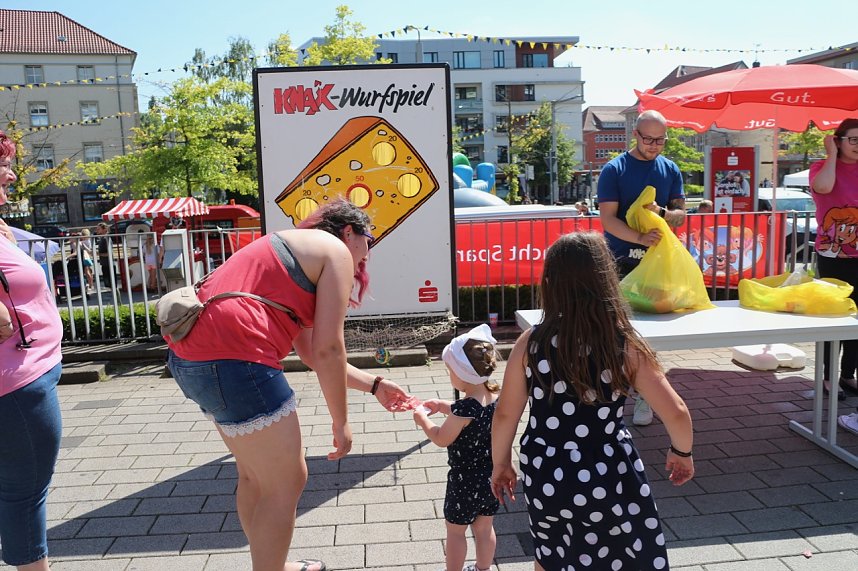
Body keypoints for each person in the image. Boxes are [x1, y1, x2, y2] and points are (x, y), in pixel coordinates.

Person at [164, 199, 413, 571]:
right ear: (349, 232)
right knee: (286, 482)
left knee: (255, 476)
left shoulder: (289, 246)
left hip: (190, 359)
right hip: (239, 358)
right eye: (369, 241)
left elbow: (313, 353)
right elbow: (329, 350)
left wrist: (375, 384)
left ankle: (272, 564)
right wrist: (341, 422)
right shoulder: (335, 251)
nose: (366, 254)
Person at [491, 232, 694, 571]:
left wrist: (501, 464)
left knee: (551, 550)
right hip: (607, 466)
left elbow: (505, 414)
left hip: (546, 466)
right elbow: (676, 412)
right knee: (623, 550)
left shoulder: (532, 342)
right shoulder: (622, 343)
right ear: (606, 281)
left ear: (551, 282)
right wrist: (682, 453)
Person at [0, 129, 64, 571]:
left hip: (27, 374)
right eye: (2, 164)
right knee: (24, 495)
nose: (9, 174)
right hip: (16, 384)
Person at [597, 109, 686, 426]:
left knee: (650, 335)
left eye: (660, 140)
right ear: (635, 134)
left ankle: (645, 398)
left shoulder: (671, 169)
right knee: (616, 333)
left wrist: (660, 212)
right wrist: (638, 237)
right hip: (618, 261)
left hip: (656, 263)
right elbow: (607, 219)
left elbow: (679, 216)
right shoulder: (614, 169)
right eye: (648, 139)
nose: (655, 145)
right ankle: (611, 396)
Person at [413, 324, 500, 571]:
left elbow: (442, 437)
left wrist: (423, 419)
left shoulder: (465, 409)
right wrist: (445, 406)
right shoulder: (494, 397)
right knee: (484, 528)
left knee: (455, 532)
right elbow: (475, 413)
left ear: (462, 374)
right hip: (490, 477)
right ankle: (483, 568)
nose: (449, 374)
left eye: (450, 370)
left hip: (464, 481)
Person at [809, 117, 858, 433]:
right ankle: (828, 376)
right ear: (838, 140)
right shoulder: (821, 167)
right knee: (834, 317)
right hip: (832, 256)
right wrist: (830, 155)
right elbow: (823, 188)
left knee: (857, 318)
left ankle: (848, 373)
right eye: (853, 139)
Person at [94, 222, 113, 286]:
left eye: (98, 229)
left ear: (104, 229)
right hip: (105, 264)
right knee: (109, 283)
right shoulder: (102, 238)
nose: (97, 230)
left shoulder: (105, 238)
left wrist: (98, 254)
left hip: (108, 264)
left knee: (110, 283)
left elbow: (109, 253)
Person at [77, 227, 95, 292]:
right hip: (88, 258)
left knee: (87, 272)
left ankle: (91, 285)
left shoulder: (84, 241)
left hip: (85, 258)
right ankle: (91, 284)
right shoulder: (88, 241)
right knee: (89, 271)